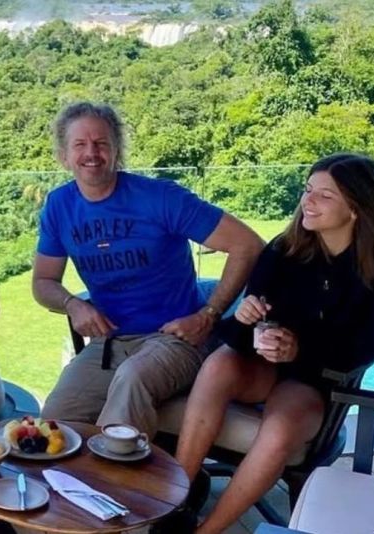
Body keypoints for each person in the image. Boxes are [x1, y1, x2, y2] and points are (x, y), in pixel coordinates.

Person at [174, 154, 374, 534]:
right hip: (264, 365)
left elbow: (371, 346)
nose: (308, 201)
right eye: (308, 191)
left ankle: (207, 531)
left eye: (324, 196)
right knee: (220, 363)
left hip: (317, 381)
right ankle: (176, 498)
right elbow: (239, 334)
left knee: (280, 428)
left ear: (356, 208)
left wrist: (300, 349)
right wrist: (247, 322)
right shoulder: (286, 249)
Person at [32, 102, 264, 436]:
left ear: (116, 150)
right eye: (79, 145)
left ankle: (119, 486)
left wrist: (209, 315)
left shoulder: (160, 198)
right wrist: (72, 303)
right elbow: (43, 282)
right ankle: (65, 487)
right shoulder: (59, 206)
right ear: (63, 155)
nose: (91, 153)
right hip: (110, 342)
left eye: (101, 143)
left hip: (174, 337)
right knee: (53, 423)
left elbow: (247, 244)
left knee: (131, 384)